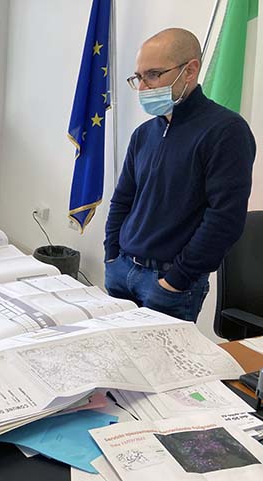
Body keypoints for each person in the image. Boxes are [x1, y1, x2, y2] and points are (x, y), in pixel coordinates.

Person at [104, 28, 256, 322]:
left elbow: (225, 218)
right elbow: (122, 200)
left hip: (168, 284)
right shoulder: (144, 134)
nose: (143, 87)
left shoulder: (226, 131)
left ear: (190, 71)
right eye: (138, 77)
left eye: (153, 75)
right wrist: (112, 255)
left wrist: (177, 279)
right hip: (122, 271)